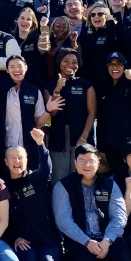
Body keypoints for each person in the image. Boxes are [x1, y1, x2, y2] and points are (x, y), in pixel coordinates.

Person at [4, 128, 59, 261]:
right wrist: (13, 238)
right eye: (13, 158)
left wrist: (41, 145)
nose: (18, 162)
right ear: (6, 161)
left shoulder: (36, 179)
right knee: (28, 260)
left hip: (48, 240)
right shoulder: (3, 185)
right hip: (23, 242)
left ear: (27, 160)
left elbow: (46, 168)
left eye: (21, 158)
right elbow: (0, 219)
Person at [51, 144, 131, 261]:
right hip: (79, 241)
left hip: (108, 239)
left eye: (91, 161)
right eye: (82, 160)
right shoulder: (63, 186)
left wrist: (107, 241)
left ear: (98, 163)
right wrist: (87, 242)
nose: (86, 164)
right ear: (75, 163)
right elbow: (63, 220)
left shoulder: (110, 185)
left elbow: (120, 217)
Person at [0, 56, 54, 171]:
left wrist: (48, 110)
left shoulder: (34, 91)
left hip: (28, 147)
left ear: (26, 68)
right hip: (3, 146)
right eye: (12, 67)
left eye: (20, 66)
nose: (17, 70)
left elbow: (38, 124)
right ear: (7, 70)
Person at [43, 49, 97, 182]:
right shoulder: (49, 86)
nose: (70, 65)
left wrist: (84, 137)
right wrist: (58, 89)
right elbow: (52, 113)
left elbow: (92, 113)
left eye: (74, 62)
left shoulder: (86, 85)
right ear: (59, 63)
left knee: (82, 176)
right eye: (66, 61)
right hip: (58, 137)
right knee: (59, 177)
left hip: (81, 134)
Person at [97, 53, 131, 177]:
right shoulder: (104, 87)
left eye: (119, 64)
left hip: (130, 143)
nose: (115, 67)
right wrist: (100, 147)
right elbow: (101, 119)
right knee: (117, 178)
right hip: (111, 144)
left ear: (125, 67)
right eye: (111, 64)